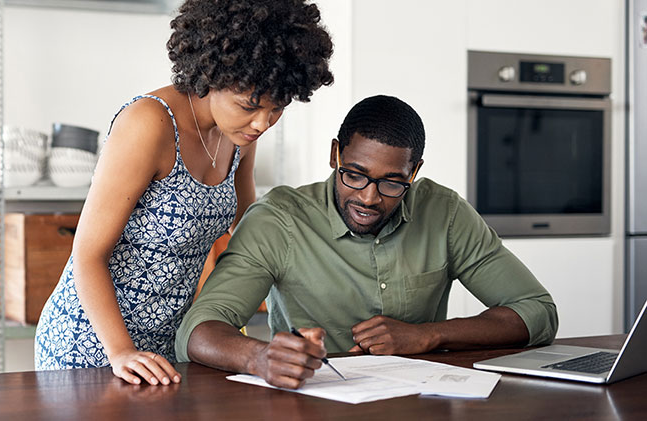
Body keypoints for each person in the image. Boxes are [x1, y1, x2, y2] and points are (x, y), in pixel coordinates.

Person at [34, 0, 334, 386]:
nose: (262, 123)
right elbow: (87, 254)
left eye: (277, 109)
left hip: (166, 345)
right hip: (92, 343)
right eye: (250, 106)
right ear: (210, 75)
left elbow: (249, 233)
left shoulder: (238, 134)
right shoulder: (149, 124)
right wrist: (121, 351)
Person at [175, 95, 559, 389]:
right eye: (355, 175)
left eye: (392, 182)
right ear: (334, 154)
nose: (370, 198)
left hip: (420, 402)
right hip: (312, 403)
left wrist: (429, 334)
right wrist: (259, 357)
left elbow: (537, 312)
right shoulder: (280, 220)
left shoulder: (444, 213)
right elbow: (199, 330)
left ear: (415, 171)